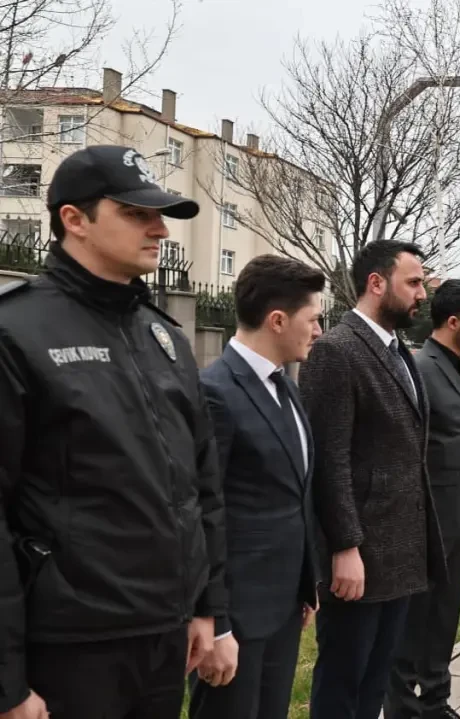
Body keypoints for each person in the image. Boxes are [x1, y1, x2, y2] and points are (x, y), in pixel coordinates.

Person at [0, 145, 225, 719]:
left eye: (160, 214)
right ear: (73, 219)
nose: (160, 229)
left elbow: (201, 487)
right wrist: (6, 681)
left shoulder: (164, 336)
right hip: (72, 644)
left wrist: (207, 607)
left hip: (163, 636)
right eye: (135, 213)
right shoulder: (16, 331)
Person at [299, 240, 446, 719]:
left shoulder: (398, 350)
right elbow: (328, 460)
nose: (422, 294)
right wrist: (344, 547)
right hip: (359, 557)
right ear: (376, 284)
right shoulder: (336, 351)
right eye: (414, 282)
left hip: (399, 550)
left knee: (375, 680)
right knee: (344, 680)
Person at [189, 256, 326, 719]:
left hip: (284, 606)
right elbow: (204, 513)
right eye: (314, 319)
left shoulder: (285, 388)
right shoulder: (215, 391)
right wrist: (217, 624)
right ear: (278, 320)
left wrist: (305, 584)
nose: (319, 331)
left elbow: (295, 496)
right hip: (237, 617)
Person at [385, 279, 460, 719]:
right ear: (453, 322)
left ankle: (435, 699)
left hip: (458, 522)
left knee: (443, 618)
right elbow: (414, 451)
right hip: (428, 523)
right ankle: (405, 707)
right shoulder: (422, 369)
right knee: (417, 622)